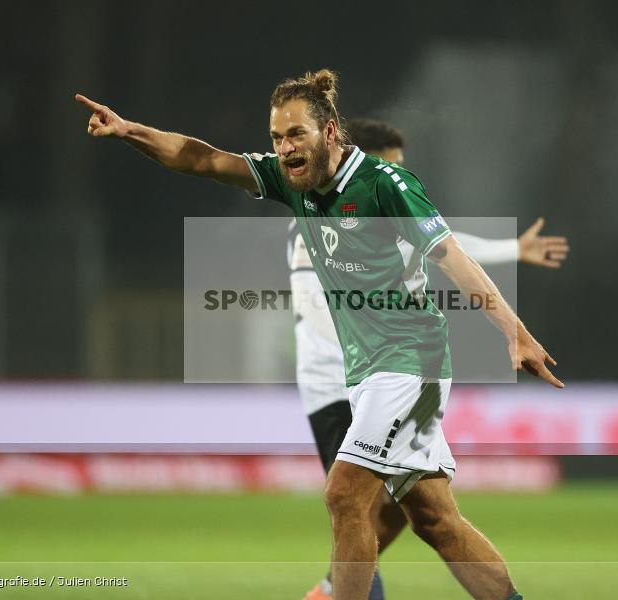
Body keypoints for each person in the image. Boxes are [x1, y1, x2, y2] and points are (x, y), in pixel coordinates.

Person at [76, 68, 563, 600]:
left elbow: (452, 258)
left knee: (344, 495)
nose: (285, 148)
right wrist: (129, 131)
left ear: (329, 132)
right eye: (277, 137)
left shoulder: (385, 184)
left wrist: (515, 332)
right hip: (369, 372)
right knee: (434, 520)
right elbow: (203, 159)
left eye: (296, 134)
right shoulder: (293, 184)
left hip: (409, 364)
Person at [293, 118, 569, 600]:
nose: (399, 174)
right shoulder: (319, 219)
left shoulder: (384, 202)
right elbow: (311, 304)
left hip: (392, 375)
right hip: (335, 385)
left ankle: (334, 589)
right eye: (392, 164)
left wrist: (511, 250)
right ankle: (335, 588)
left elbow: (443, 241)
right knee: (404, 513)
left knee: (366, 504)